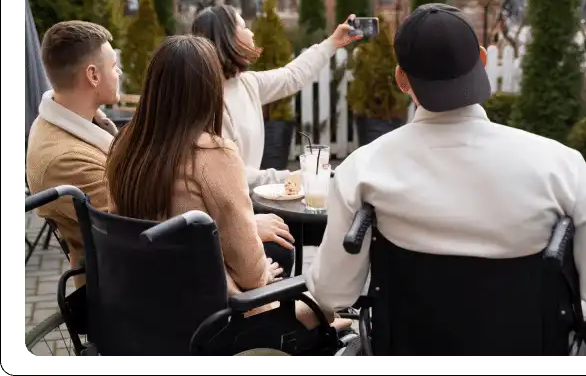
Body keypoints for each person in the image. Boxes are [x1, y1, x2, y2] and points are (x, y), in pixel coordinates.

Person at [305, 3, 586, 356]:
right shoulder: (561, 167)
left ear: (402, 80)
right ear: (482, 60)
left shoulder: (362, 171)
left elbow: (333, 293)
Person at [105, 35, 349, 330]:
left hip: (142, 311)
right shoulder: (213, 154)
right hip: (215, 321)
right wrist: (262, 273)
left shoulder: (125, 144)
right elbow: (251, 274)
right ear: (210, 91)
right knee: (329, 310)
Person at [190, 5, 361, 190]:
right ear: (226, 37)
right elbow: (230, 174)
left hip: (246, 201)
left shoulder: (248, 83)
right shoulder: (209, 103)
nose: (252, 33)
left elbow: (292, 76)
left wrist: (333, 42)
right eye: (244, 26)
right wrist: (293, 177)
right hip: (226, 209)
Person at [26, 21, 121, 287]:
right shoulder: (65, 159)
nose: (119, 72)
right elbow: (135, 221)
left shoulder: (62, 117)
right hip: (122, 290)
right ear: (92, 75)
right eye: (113, 66)